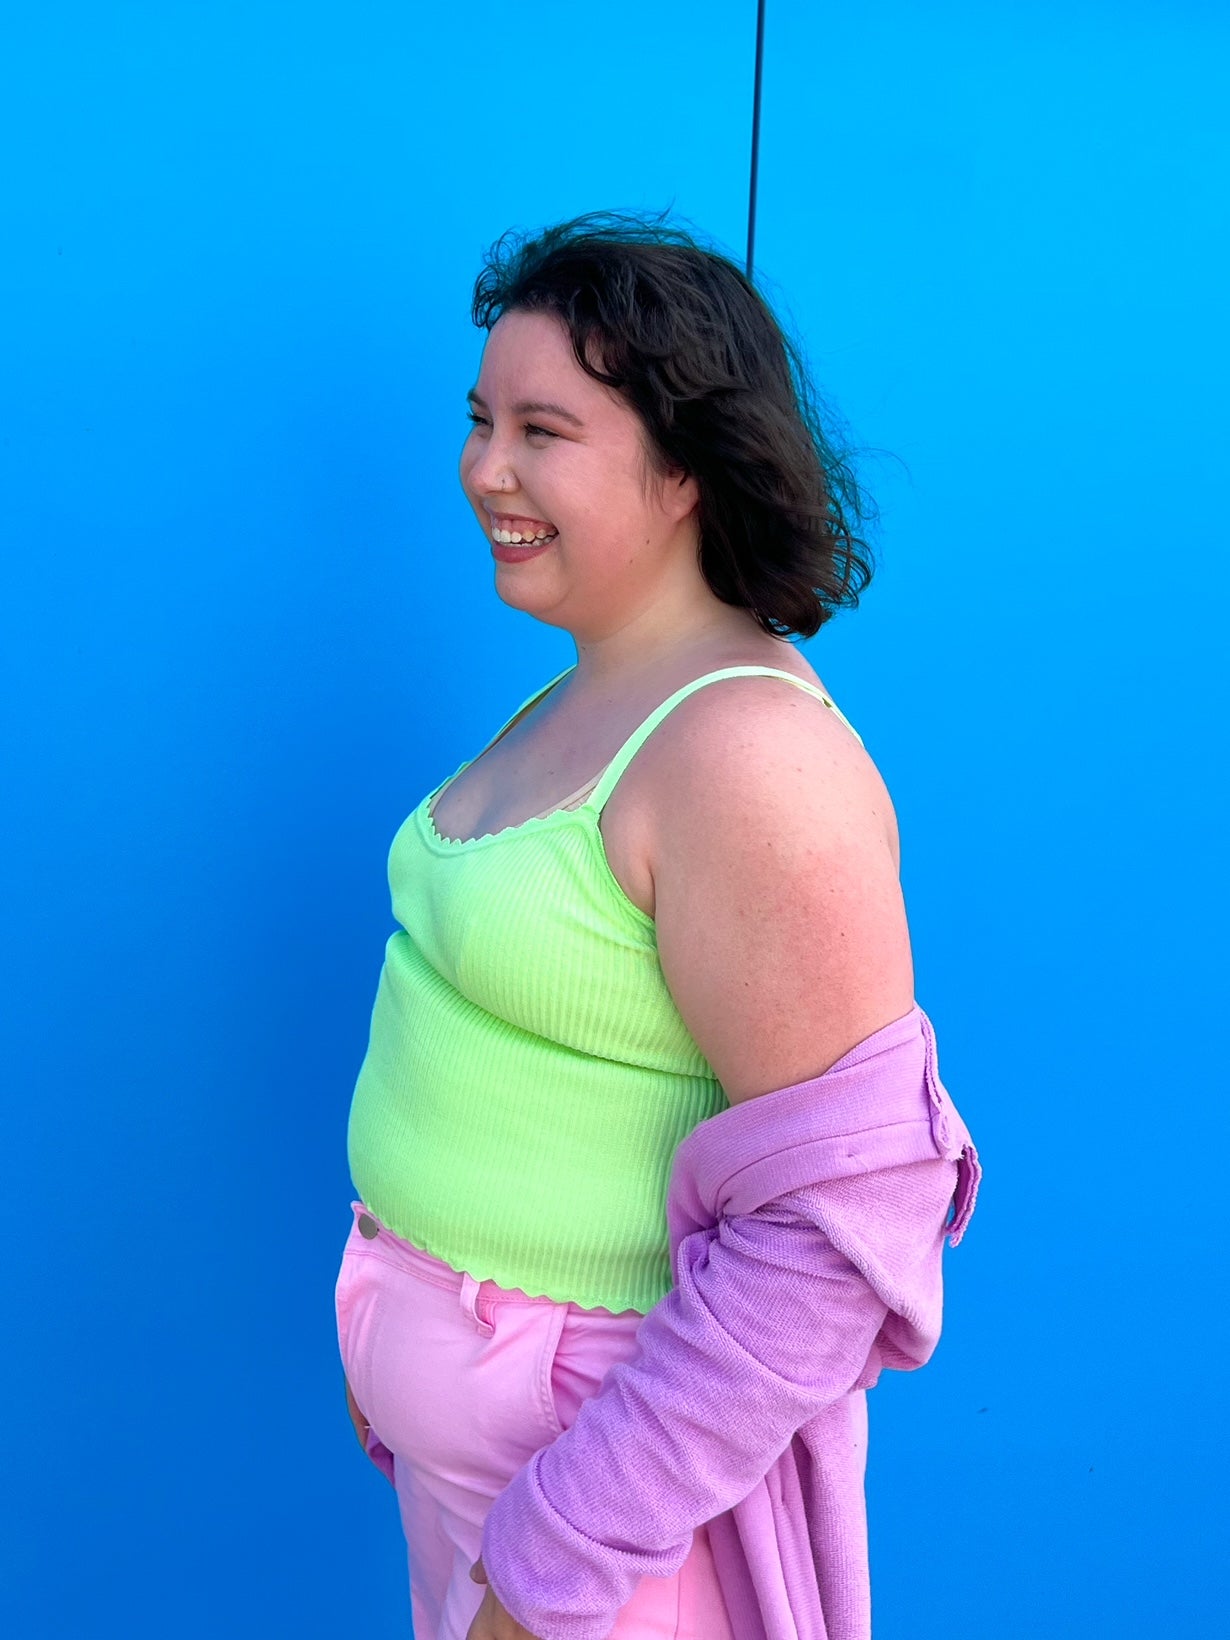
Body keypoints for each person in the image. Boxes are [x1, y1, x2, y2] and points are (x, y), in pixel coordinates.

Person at [334, 210, 979, 1640]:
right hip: (484, 1479)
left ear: (686, 467)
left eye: (542, 431)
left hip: (598, 1538)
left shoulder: (750, 758)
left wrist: (557, 1560)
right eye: (479, 421)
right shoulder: (587, 689)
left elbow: (835, 1241)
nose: (484, 470)